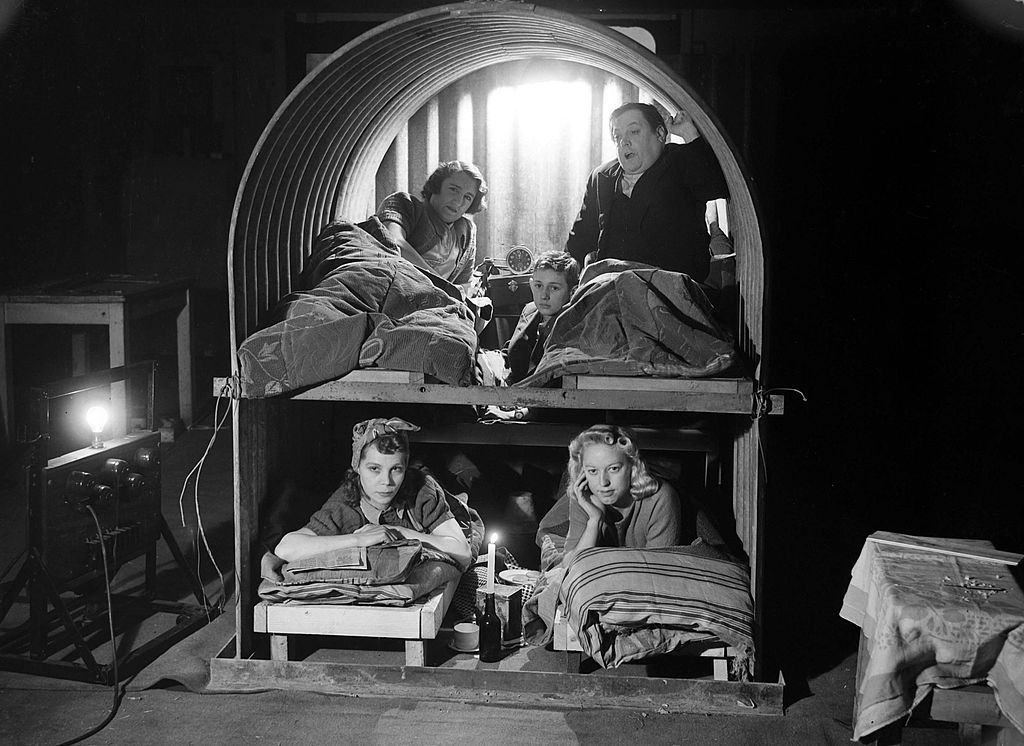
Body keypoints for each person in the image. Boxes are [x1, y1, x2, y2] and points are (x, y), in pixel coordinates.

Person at [274, 417, 474, 571]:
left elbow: (462, 552)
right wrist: (360, 539)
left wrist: (395, 532)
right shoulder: (346, 499)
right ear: (357, 467)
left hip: (457, 515)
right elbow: (286, 548)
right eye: (374, 469)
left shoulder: (422, 489)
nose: (386, 482)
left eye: (396, 469)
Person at [564, 103, 731, 283]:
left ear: (659, 134)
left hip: (669, 289)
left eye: (634, 131)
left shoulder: (681, 161)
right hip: (609, 287)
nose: (623, 142)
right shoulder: (601, 177)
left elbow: (716, 187)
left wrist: (688, 133)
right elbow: (578, 242)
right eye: (617, 136)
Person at [549, 424, 682, 569]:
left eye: (613, 469)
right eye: (593, 471)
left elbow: (658, 571)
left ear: (633, 466)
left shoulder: (660, 498)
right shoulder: (584, 497)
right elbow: (569, 567)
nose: (603, 482)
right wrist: (594, 521)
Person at [373, 161, 489, 293]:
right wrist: (442, 287)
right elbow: (391, 242)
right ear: (436, 186)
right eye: (453, 189)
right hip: (390, 290)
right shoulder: (405, 204)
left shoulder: (467, 231)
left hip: (438, 307)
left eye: (467, 197)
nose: (458, 202)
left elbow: (465, 285)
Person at [503, 250, 580, 385]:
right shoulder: (530, 310)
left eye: (554, 288)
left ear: (572, 291)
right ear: (531, 286)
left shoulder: (575, 328)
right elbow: (514, 349)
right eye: (539, 286)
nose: (544, 295)